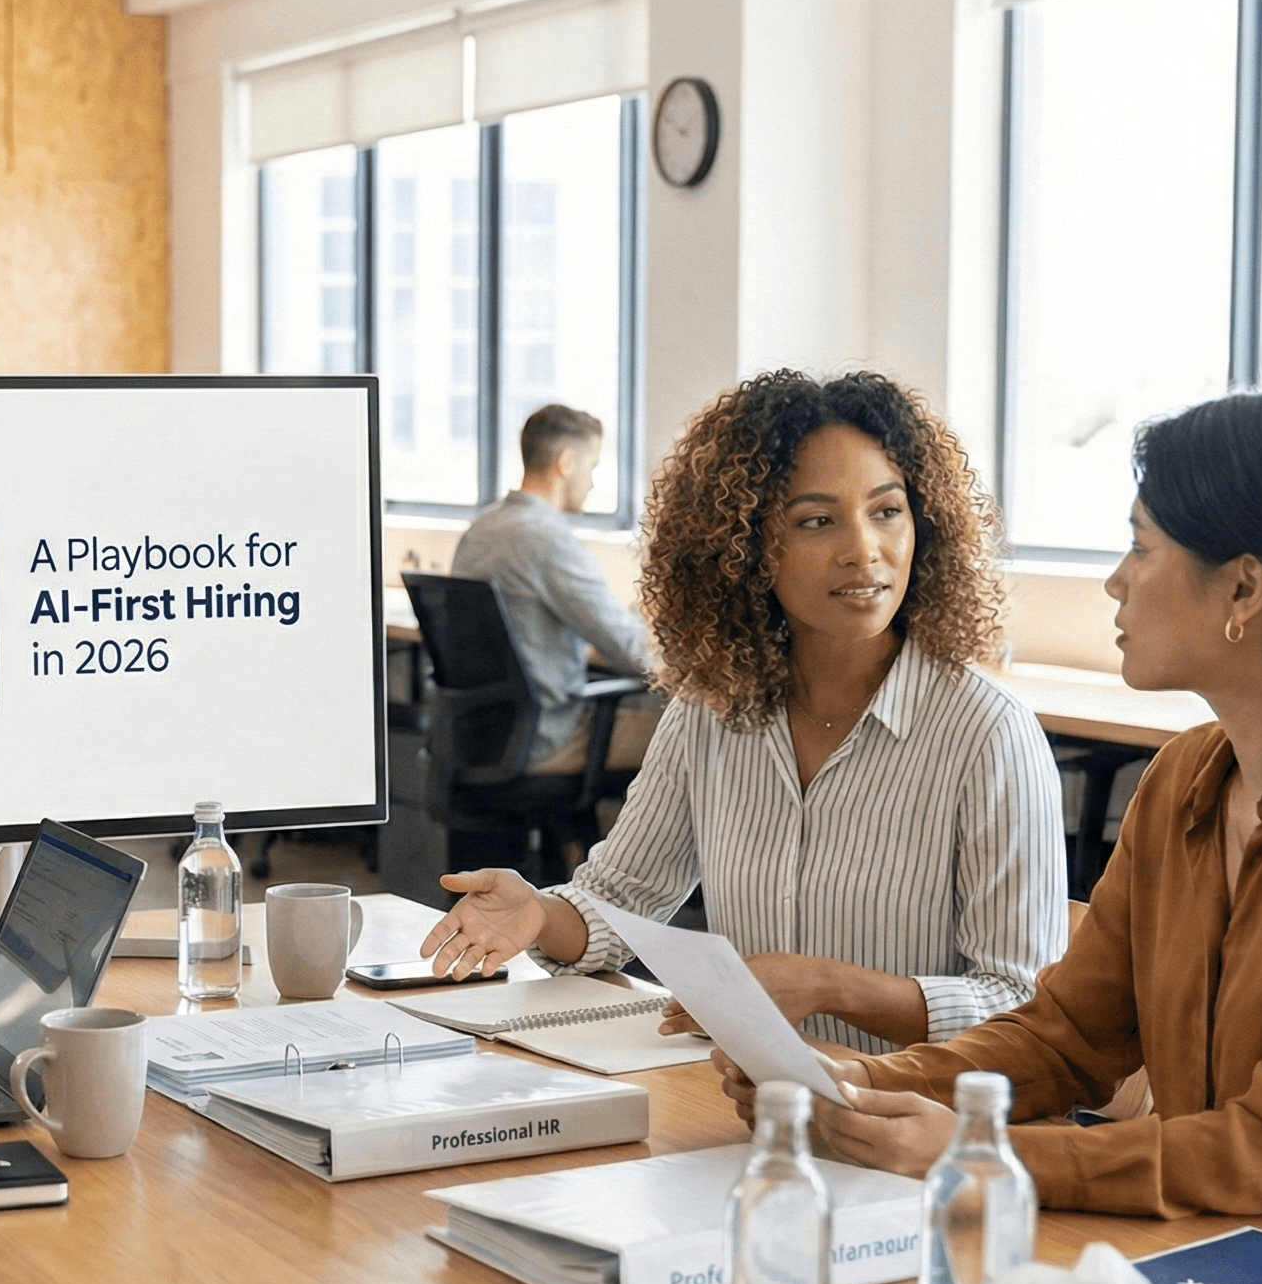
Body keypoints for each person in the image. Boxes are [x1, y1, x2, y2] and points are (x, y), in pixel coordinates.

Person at [728, 388, 1262, 1277]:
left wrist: (978, 1152)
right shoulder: (1185, 779)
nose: (1116, 579)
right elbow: (1070, 1040)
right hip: (1242, 1239)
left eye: (1141, 546)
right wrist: (863, 1085)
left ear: (1244, 587)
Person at [422, 370, 1067, 1054]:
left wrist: (829, 986)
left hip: (912, 1133)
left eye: (887, 510)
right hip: (751, 1103)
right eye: (816, 521)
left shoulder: (987, 733)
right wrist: (539, 914)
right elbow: (621, 900)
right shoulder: (711, 711)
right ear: (745, 548)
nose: (863, 549)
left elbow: (1023, 1007)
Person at [448, 404, 658, 775]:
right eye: (592, 466)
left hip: (483, 737)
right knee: (685, 738)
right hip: (545, 738)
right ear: (566, 462)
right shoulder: (545, 538)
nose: (592, 482)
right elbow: (628, 648)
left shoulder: (481, 528)